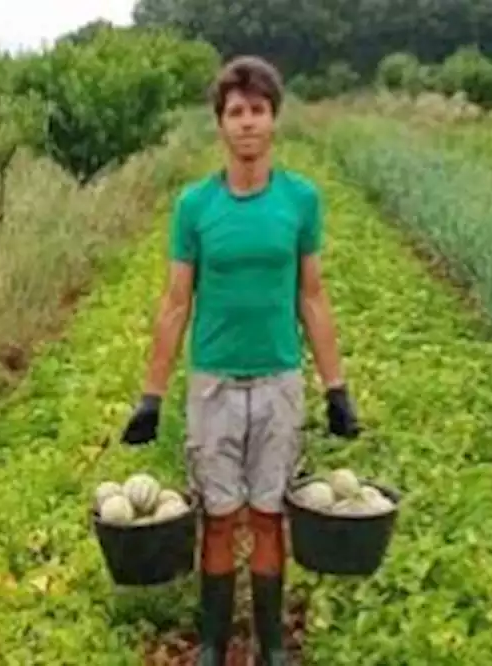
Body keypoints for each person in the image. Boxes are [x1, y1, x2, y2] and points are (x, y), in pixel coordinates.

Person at [119, 55, 360, 666]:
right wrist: (150, 397)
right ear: (220, 125)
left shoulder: (300, 201)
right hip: (213, 387)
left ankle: (272, 646)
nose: (247, 123)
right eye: (236, 112)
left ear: (273, 120)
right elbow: (176, 304)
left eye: (257, 111)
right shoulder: (195, 206)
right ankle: (212, 643)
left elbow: (311, 294)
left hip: (278, 381)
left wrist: (337, 388)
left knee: (270, 515)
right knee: (222, 520)